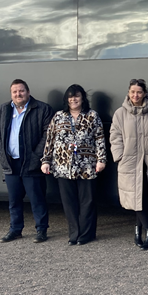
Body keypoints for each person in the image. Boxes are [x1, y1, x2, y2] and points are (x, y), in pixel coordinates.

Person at [41, 84, 106, 245]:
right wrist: (46, 160)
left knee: (88, 201)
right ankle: (74, 234)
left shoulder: (92, 116)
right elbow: (50, 140)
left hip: (87, 165)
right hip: (63, 166)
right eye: (70, 97)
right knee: (69, 203)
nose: (73, 99)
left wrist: (101, 160)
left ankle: (86, 234)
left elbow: (100, 139)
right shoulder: (58, 117)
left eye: (76, 96)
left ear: (82, 97)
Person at [0, 79, 54, 243]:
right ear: (11, 94)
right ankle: (15, 229)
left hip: (32, 163)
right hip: (11, 162)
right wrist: (0, 153)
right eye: (15, 92)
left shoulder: (42, 109)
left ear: (28, 92)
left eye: (21, 91)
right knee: (14, 201)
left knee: (37, 199)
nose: (18, 94)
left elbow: (48, 135)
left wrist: (36, 156)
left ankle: (41, 230)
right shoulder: (3, 109)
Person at [110, 79, 148, 250]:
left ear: (145, 93)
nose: (135, 95)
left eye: (139, 92)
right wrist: (119, 156)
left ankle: (138, 230)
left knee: (144, 198)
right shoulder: (120, 113)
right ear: (128, 93)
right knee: (135, 197)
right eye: (132, 92)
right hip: (130, 162)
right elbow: (115, 136)